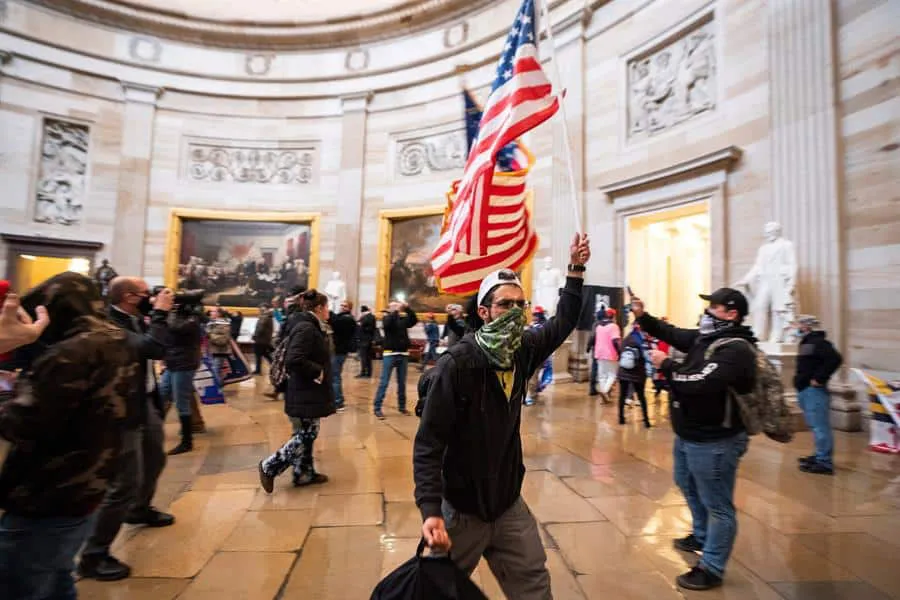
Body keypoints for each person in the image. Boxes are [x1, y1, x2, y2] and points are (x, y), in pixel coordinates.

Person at [415, 233, 590, 600]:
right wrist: (431, 510)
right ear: (484, 311)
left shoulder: (522, 350)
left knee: (534, 586)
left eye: (520, 305)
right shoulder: (457, 365)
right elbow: (429, 444)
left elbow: (564, 322)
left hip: (508, 503)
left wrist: (575, 270)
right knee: (437, 591)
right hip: (460, 511)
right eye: (504, 305)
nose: (514, 313)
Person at [0, 274, 135, 600]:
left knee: (21, 585)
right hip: (87, 485)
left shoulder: (71, 352)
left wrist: (8, 389)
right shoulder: (114, 338)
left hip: (47, 492)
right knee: (57, 579)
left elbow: (20, 422)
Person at [634, 288, 756, 591]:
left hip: (715, 440)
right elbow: (672, 332)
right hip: (689, 435)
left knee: (719, 505)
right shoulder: (706, 339)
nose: (706, 313)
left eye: (713, 307)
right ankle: (701, 535)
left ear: (732, 314)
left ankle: (712, 566)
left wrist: (667, 365)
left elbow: (701, 382)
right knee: (685, 483)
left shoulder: (736, 349)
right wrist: (642, 316)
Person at [80, 277, 175, 582]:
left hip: (143, 400)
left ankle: (140, 508)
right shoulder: (110, 323)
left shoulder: (133, 318)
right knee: (124, 482)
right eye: (148, 294)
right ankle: (93, 555)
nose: (152, 298)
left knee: (155, 458)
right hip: (121, 408)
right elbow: (154, 348)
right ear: (131, 297)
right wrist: (160, 314)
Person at [258, 290, 335, 491]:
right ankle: (270, 466)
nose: (329, 311)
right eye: (327, 307)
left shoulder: (307, 325)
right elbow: (294, 359)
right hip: (305, 390)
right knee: (307, 433)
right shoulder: (306, 328)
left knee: (308, 431)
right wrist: (317, 372)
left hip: (307, 390)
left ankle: (304, 473)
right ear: (318, 308)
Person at [793, 315, 842, 475]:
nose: (796, 327)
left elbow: (835, 359)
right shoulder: (808, 342)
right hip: (806, 389)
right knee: (815, 426)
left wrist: (820, 378)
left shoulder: (818, 342)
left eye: (798, 324)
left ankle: (824, 462)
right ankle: (819, 455)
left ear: (806, 327)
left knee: (820, 427)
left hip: (814, 391)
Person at [160, 303, 203, 455]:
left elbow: (175, 328)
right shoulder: (182, 319)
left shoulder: (191, 320)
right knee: (162, 394)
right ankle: (154, 433)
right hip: (173, 362)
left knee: (181, 402)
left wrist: (169, 311)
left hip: (184, 364)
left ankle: (187, 442)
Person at [373, 300, 417, 419]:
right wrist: (395, 311)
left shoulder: (403, 320)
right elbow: (387, 325)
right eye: (393, 305)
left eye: (397, 305)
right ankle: (377, 408)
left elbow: (413, 320)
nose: (396, 306)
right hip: (390, 354)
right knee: (384, 382)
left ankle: (402, 407)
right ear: (389, 308)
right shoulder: (387, 318)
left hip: (403, 354)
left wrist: (407, 308)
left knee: (402, 383)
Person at [617, 324, 651, 428]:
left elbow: (620, 352)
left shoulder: (626, 339)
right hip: (638, 374)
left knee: (622, 395)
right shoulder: (641, 341)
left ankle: (621, 418)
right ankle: (646, 421)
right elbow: (646, 356)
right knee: (641, 397)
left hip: (623, 372)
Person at [330, 299, 357, 411]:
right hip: (337, 350)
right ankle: (336, 399)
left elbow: (336, 322)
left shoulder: (348, 319)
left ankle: (338, 402)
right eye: (341, 305)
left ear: (349, 308)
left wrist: (329, 311)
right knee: (334, 376)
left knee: (335, 376)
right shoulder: (342, 317)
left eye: (345, 306)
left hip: (340, 351)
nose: (342, 307)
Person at [588, 308, 620, 402]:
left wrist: (588, 346)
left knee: (602, 375)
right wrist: (619, 351)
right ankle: (605, 391)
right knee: (612, 375)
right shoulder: (614, 326)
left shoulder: (598, 326)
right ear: (613, 316)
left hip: (599, 353)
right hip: (610, 354)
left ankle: (604, 396)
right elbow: (615, 341)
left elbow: (593, 338)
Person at [206, 307, 232, 382]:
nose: (210, 313)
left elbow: (223, 340)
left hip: (220, 351)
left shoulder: (224, 324)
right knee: (215, 370)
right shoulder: (212, 323)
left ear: (219, 314)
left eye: (213, 311)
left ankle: (218, 390)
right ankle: (218, 386)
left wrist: (210, 334)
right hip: (213, 351)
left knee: (215, 370)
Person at [252, 304, 274, 375]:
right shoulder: (268, 316)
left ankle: (258, 371)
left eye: (261, 308)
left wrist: (255, 336)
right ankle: (274, 366)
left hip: (260, 339)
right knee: (265, 354)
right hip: (265, 339)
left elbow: (260, 328)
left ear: (265, 308)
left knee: (258, 355)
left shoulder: (265, 316)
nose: (260, 309)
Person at [356, 305, 376, 378]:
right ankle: (369, 373)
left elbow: (363, 327)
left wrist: (359, 324)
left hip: (364, 340)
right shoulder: (372, 316)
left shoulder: (366, 317)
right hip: (369, 340)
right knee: (368, 357)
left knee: (364, 357)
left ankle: (363, 372)